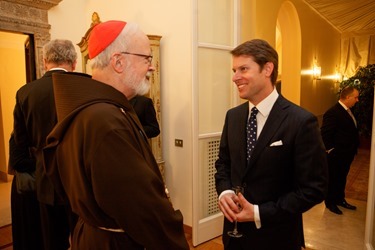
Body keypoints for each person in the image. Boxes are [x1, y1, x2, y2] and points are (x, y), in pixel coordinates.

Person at [42, 20, 189, 249]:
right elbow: (143, 211)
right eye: (147, 59)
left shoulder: (99, 109)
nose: (152, 67)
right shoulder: (106, 121)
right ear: (119, 62)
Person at [215, 39, 328, 250]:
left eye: (243, 69)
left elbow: (314, 189)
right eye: (234, 70)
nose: (235, 77)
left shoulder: (301, 121)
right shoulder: (233, 116)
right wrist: (225, 193)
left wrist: (259, 213)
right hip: (233, 235)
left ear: (267, 69)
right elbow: (223, 164)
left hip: (277, 238)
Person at [12, 39, 78, 250]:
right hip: (78, 179)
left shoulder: (25, 92)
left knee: (52, 240)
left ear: (44, 61)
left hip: (45, 179)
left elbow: (20, 141)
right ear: (74, 62)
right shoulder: (85, 89)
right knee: (82, 237)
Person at [321, 86, 360, 215]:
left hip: (347, 153)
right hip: (337, 155)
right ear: (347, 97)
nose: (357, 100)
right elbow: (325, 134)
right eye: (355, 97)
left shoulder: (348, 111)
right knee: (333, 178)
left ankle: (340, 199)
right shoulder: (333, 112)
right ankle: (330, 203)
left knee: (341, 178)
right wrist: (331, 150)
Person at [8, 133, 43, 250]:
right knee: (27, 231)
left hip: (37, 189)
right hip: (24, 191)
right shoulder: (18, 135)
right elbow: (18, 162)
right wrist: (43, 161)